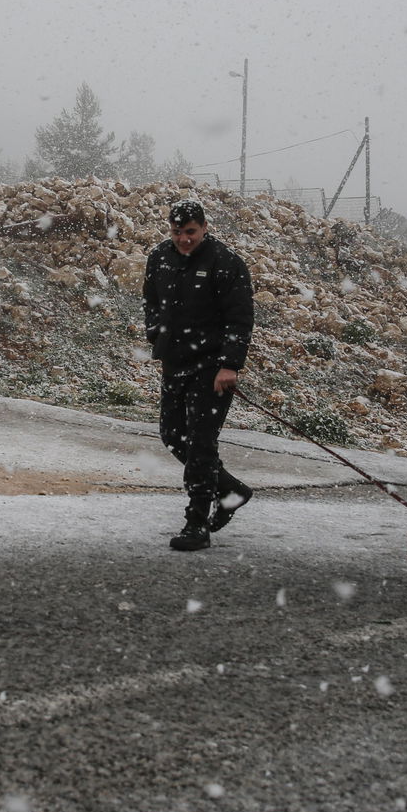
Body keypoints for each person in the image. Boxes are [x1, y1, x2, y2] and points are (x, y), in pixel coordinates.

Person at [142, 198, 256, 551]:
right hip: (175, 362)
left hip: (211, 368)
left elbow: (240, 317)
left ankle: (197, 523)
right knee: (173, 436)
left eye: (190, 232)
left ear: (204, 228)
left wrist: (229, 365)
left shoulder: (226, 263)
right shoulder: (159, 257)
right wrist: (156, 336)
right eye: (177, 232)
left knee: (201, 443)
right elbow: (150, 302)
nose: (184, 239)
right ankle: (230, 490)